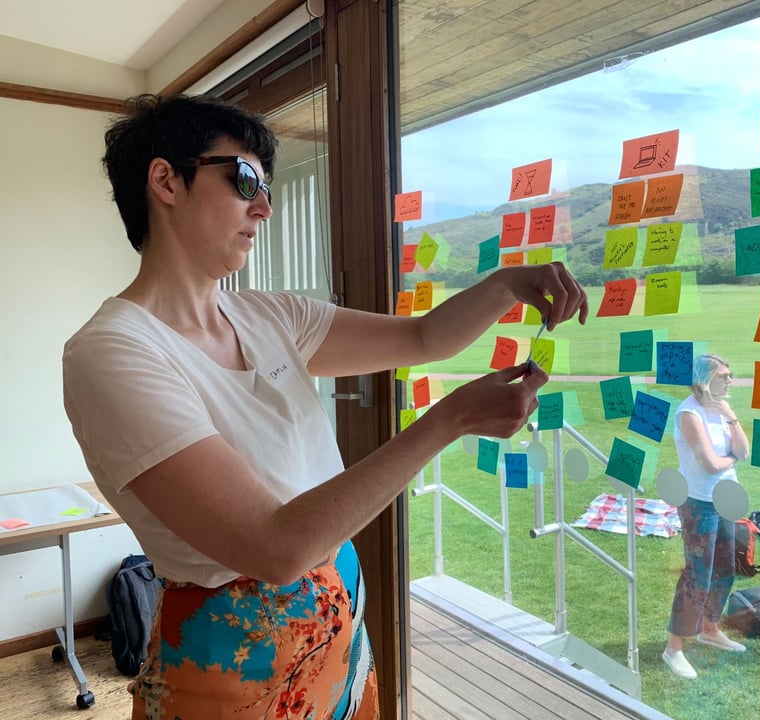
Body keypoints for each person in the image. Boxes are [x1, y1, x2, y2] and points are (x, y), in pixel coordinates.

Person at [61, 94, 588, 720]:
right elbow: (275, 547)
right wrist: (449, 421)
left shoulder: (268, 314)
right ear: (165, 180)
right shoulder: (112, 354)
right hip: (232, 665)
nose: (264, 205)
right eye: (244, 179)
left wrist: (506, 284)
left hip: (338, 625)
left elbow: (421, 339)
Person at [663, 353, 750, 680]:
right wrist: (731, 457)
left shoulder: (723, 410)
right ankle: (674, 648)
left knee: (726, 567)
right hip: (699, 502)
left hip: (726, 497)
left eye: (730, 375)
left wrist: (730, 417)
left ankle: (710, 629)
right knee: (698, 574)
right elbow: (709, 463)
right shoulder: (689, 412)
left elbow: (744, 451)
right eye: (723, 376)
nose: (730, 381)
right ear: (704, 380)